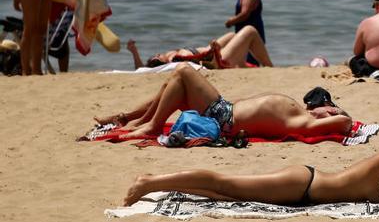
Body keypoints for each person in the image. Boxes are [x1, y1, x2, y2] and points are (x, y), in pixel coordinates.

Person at [122, 112, 379, 206]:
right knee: (225, 184)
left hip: (305, 183)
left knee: (222, 192)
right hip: (303, 187)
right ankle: (150, 182)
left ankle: (152, 182)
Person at [94, 63, 349, 140]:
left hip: (223, 118)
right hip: (223, 111)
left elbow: (345, 123)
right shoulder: (303, 114)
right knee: (173, 85)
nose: (322, 106)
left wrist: (336, 114)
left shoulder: (304, 122)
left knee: (184, 71)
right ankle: (131, 118)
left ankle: (149, 124)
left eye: (328, 107)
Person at [126, 25, 274, 69]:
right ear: (159, 60)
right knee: (249, 30)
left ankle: (242, 65)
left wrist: (134, 52)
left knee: (231, 35)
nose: (157, 53)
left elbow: (142, 69)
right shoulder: (175, 58)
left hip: (213, 52)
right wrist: (212, 50)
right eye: (156, 55)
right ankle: (269, 66)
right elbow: (200, 58)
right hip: (217, 58)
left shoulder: (172, 57)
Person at [224, 0, 264, 64]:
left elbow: (245, 14)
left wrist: (231, 21)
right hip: (250, 37)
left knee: (251, 63)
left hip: (250, 39)